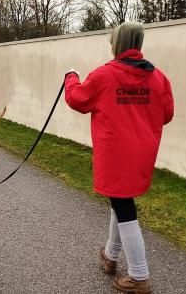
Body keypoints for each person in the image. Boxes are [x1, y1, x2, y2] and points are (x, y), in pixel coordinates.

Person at [64, 22, 174, 294]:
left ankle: (139, 275)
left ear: (117, 43)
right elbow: (167, 114)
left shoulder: (104, 75)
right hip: (143, 151)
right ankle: (111, 256)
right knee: (120, 199)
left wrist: (70, 77)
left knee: (124, 207)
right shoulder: (158, 77)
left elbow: (77, 99)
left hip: (115, 152)